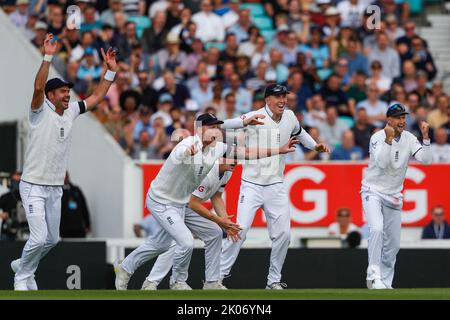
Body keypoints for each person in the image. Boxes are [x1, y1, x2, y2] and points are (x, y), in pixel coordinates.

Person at [114, 111, 297, 290]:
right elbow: (181, 153)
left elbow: (247, 152)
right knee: (185, 241)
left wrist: (279, 150)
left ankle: (211, 282)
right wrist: (189, 152)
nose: (216, 130)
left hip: (180, 203)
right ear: (199, 129)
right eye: (212, 127)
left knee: (211, 234)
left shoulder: (218, 148)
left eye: (218, 126)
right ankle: (177, 282)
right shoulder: (187, 143)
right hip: (161, 201)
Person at [10, 34, 118, 291]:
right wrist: (47, 56)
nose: (68, 95)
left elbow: (96, 98)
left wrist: (110, 73)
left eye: (68, 91)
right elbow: (37, 87)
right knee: (37, 238)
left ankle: (23, 266)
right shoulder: (39, 110)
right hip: (33, 185)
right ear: (50, 95)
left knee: (52, 240)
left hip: (55, 187)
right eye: (62, 91)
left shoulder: (70, 111)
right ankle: (22, 276)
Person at [220, 84, 330, 290]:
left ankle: (273, 281)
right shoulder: (255, 115)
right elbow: (222, 126)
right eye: (278, 96)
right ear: (267, 99)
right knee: (239, 232)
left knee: (284, 235)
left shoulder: (290, 117)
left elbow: (301, 133)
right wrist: (244, 120)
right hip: (251, 185)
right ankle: (216, 278)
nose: (282, 100)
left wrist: (315, 145)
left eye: (284, 96)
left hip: (276, 185)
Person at [361, 103, 432, 290]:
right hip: (373, 191)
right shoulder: (377, 137)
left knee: (393, 244)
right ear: (389, 120)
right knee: (376, 229)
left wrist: (425, 138)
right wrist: (389, 140)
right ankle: (373, 274)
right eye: (398, 117)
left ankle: (385, 282)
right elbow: (383, 163)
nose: (402, 121)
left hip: (394, 195)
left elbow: (426, 161)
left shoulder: (409, 138)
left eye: (403, 117)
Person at [140, 158, 238, 290]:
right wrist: (220, 221)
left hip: (187, 207)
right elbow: (194, 203)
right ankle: (152, 282)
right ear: (221, 157)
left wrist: (226, 222)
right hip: (174, 204)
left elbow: (216, 196)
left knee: (215, 233)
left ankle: (212, 282)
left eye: (237, 158)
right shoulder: (208, 173)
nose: (235, 161)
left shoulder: (227, 172)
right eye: (232, 158)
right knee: (175, 242)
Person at [60, 173, 91, 238]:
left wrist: (88, 224)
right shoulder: (58, 192)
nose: (65, 178)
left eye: (66, 175)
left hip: (78, 229)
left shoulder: (76, 190)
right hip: (65, 230)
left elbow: (84, 208)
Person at [0, 172, 25, 241]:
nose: (17, 184)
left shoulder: (29, 197)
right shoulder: (6, 197)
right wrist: (1, 214)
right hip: (8, 233)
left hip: (26, 231)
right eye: (15, 181)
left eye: (19, 181)